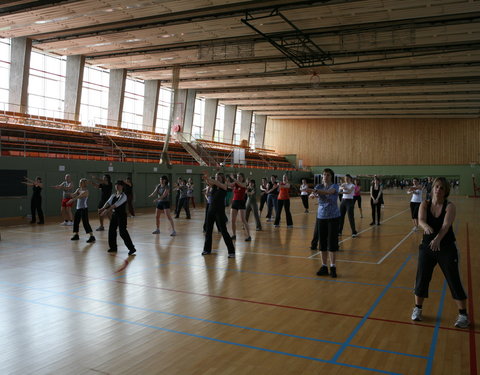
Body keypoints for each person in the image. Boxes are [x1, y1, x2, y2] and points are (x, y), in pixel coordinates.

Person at [411, 177, 469, 328]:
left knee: (453, 279)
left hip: (446, 247)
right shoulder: (425, 204)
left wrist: (437, 239)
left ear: (446, 191)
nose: (438, 190)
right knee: (422, 277)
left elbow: (445, 226)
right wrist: (425, 227)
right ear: (432, 189)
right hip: (427, 247)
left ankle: (463, 315)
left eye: (442, 188)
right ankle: (417, 309)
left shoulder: (450, 206)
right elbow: (421, 219)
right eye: (436, 187)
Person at [309, 168, 340, 278]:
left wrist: (314, 191)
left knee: (331, 243)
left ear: (331, 176)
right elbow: (312, 195)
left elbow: (328, 192)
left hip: (333, 217)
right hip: (321, 217)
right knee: (322, 243)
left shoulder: (335, 186)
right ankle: (324, 266)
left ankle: (332, 266)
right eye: (324, 175)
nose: (325, 177)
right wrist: (312, 194)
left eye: (327, 175)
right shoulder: (318, 187)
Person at [201, 172, 235, 258]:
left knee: (223, 231)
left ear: (222, 178)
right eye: (216, 177)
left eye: (219, 177)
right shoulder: (214, 186)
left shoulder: (224, 186)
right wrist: (206, 179)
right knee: (208, 230)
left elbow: (217, 183)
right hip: (211, 209)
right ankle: (207, 250)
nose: (217, 178)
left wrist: (209, 178)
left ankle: (231, 251)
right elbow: (210, 183)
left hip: (219, 211)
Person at [99, 180, 136, 255]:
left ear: (122, 186)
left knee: (122, 232)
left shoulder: (124, 196)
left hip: (121, 216)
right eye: (116, 185)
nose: (117, 186)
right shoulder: (113, 195)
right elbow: (108, 203)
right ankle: (113, 247)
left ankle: (132, 248)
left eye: (119, 185)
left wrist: (106, 211)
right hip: (114, 215)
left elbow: (115, 205)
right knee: (111, 231)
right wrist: (102, 208)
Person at [68, 178, 95, 243]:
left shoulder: (86, 191)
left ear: (84, 183)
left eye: (81, 182)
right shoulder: (78, 189)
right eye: (79, 182)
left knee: (85, 222)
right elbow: (74, 195)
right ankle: (76, 235)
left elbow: (79, 196)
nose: (79, 183)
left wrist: (72, 199)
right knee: (76, 222)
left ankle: (92, 236)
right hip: (78, 208)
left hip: (84, 209)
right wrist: (70, 194)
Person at [230, 173, 251, 241]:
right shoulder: (235, 183)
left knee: (243, 220)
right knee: (232, 220)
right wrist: (226, 180)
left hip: (241, 203)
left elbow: (240, 184)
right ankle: (234, 235)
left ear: (243, 178)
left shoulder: (244, 184)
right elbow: (229, 185)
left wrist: (234, 179)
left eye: (240, 177)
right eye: (237, 176)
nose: (238, 178)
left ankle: (249, 236)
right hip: (234, 202)